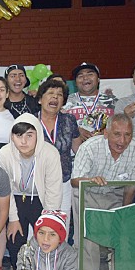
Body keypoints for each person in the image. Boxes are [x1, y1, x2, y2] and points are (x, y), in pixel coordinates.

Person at [71, 114, 135, 270]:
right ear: (105, 133)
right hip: (87, 192)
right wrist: (90, 180)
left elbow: (131, 187)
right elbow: (75, 180)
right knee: (89, 240)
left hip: (116, 195)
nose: (122, 141)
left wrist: (123, 216)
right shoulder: (90, 147)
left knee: (123, 238)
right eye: (117, 134)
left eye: (127, 135)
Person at [0, 114, 63, 270]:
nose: (24, 141)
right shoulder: (4, 154)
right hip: (15, 199)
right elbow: (6, 190)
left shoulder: (50, 153)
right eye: (18, 135)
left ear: (38, 135)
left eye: (29, 135)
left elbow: (53, 191)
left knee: (46, 240)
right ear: (12, 136)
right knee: (14, 240)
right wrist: (13, 218)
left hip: (41, 200)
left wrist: (48, 221)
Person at [35, 79, 81, 230]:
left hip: (63, 182)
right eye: (50, 93)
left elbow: (78, 151)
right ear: (40, 99)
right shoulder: (30, 121)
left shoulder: (69, 120)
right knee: (36, 227)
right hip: (36, 184)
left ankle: (60, 255)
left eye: (59, 95)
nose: (55, 97)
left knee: (61, 226)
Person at [62, 62, 116, 142]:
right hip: (74, 152)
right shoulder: (64, 102)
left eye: (90, 74)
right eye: (80, 76)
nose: (85, 78)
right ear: (75, 82)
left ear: (98, 79)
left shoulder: (113, 102)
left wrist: (107, 131)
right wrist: (76, 130)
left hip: (105, 150)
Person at [115, 58, 135, 137]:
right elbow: (115, 134)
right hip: (130, 148)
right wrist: (125, 117)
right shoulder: (122, 103)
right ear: (133, 77)